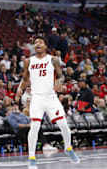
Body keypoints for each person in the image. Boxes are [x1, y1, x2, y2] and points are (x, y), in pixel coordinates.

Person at [15, 36, 79, 165]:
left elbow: (61, 76)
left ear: (45, 46)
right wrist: (19, 89)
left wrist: (58, 82)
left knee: (64, 125)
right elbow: (26, 79)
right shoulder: (29, 61)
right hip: (37, 98)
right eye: (35, 42)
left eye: (40, 42)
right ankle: (32, 158)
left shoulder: (53, 59)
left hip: (51, 97)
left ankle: (68, 148)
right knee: (34, 127)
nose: (37, 44)